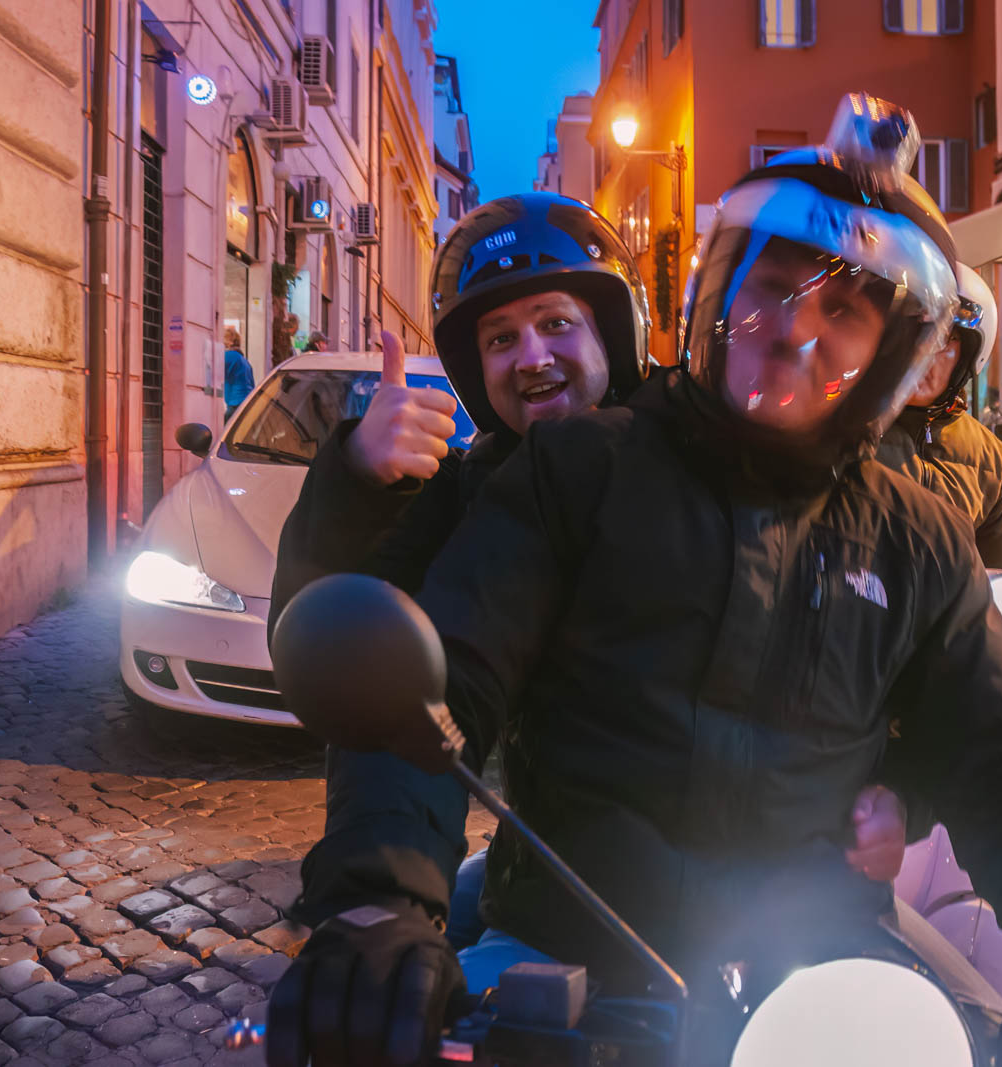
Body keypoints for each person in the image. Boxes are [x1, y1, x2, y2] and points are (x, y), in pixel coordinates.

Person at [265, 97, 1002, 1067]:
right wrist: (380, 904)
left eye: (844, 310)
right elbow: (438, 682)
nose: (794, 328)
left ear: (891, 356)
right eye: (771, 286)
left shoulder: (918, 536)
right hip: (570, 949)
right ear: (720, 292)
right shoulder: (578, 472)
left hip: (826, 969)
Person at [266, 191, 911, 1043]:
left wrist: (897, 779)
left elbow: (866, 653)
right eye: (501, 339)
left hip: (767, 930)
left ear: (616, 329)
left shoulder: (709, 457)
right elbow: (361, 657)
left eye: (556, 323)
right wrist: (356, 477)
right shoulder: (473, 491)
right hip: (558, 892)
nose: (531, 355)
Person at [876, 264, 1002, 671]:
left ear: (969, 354)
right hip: (864, 638)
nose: (926, 356)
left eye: (944, 343)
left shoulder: (990, 456)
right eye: (915, 336)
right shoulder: (858, 428)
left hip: (953, 652)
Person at [222, 326, 254, 421]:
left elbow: (215, 375)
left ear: (228, 341)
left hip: (236, 403)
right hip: (246, 402)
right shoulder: (243, 360)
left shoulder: (228, 356)